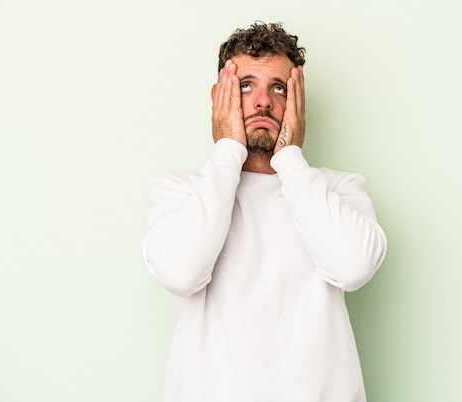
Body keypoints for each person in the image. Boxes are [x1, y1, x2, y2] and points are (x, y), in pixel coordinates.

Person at [142, 22, 387, 402]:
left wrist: (290, 157)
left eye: (278, 89)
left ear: (297, 101)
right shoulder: (180, 191)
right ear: (218, 97)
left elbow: (352, 269)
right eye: (245, 86)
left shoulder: (338, 188)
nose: (262, 102)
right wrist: (227, 150)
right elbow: (180, 272)